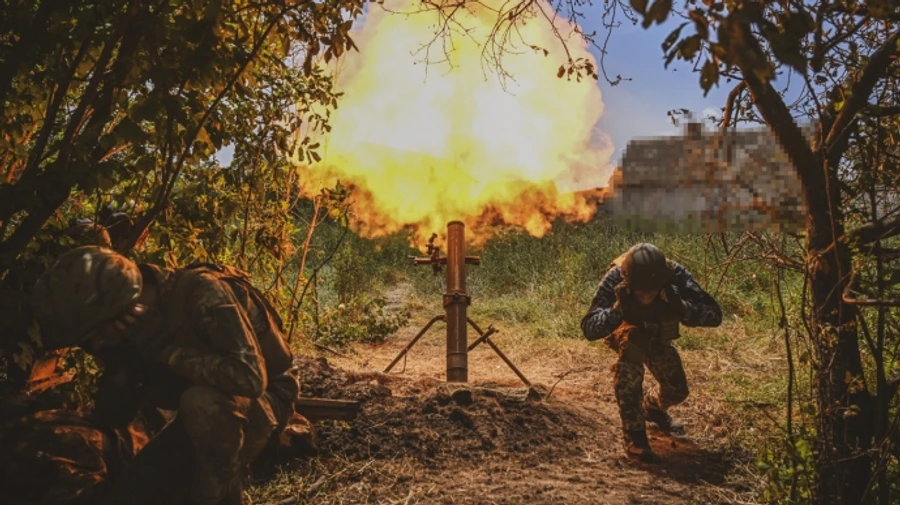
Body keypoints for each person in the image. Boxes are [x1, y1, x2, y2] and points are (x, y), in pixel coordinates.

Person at [30, 246, 301, 505]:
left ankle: (217, 498)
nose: (96, 346)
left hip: (267, 401)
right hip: (198, 414)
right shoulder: (133, 331)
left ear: (126, 309)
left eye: (95, 335)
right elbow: (113, 417)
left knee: (202, 403)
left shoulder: (202, 292)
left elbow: (250, 378)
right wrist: (124, 366)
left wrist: (168, 352)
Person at [581, 243, 722, 463]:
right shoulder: (615, 276)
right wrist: (618, 309)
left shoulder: (675, 275)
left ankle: (653, 408)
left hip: (657, 335)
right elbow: (590, 328)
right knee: (633, 349)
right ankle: (635, 437)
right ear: (627, 281)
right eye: (640, 290)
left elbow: (714, 315)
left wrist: (682, 307)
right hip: (627, 331)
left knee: (678, 390)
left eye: (652, 290)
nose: (646, 296)